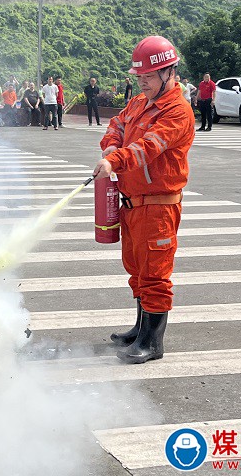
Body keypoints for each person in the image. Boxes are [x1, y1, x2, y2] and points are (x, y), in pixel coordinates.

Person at [92, 35, 195, 364]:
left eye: (148, 77)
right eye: (139, 78)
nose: (142, 83)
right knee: (136, 270)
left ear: (169, 73)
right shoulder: (139, 103)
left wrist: (115, 161)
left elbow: (148, 146)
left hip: (159, 205)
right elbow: (118, 123)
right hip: (132, 203)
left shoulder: (177, 112)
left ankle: (153, 343)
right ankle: (139, 330)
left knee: (155, 274)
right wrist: (110, 143)